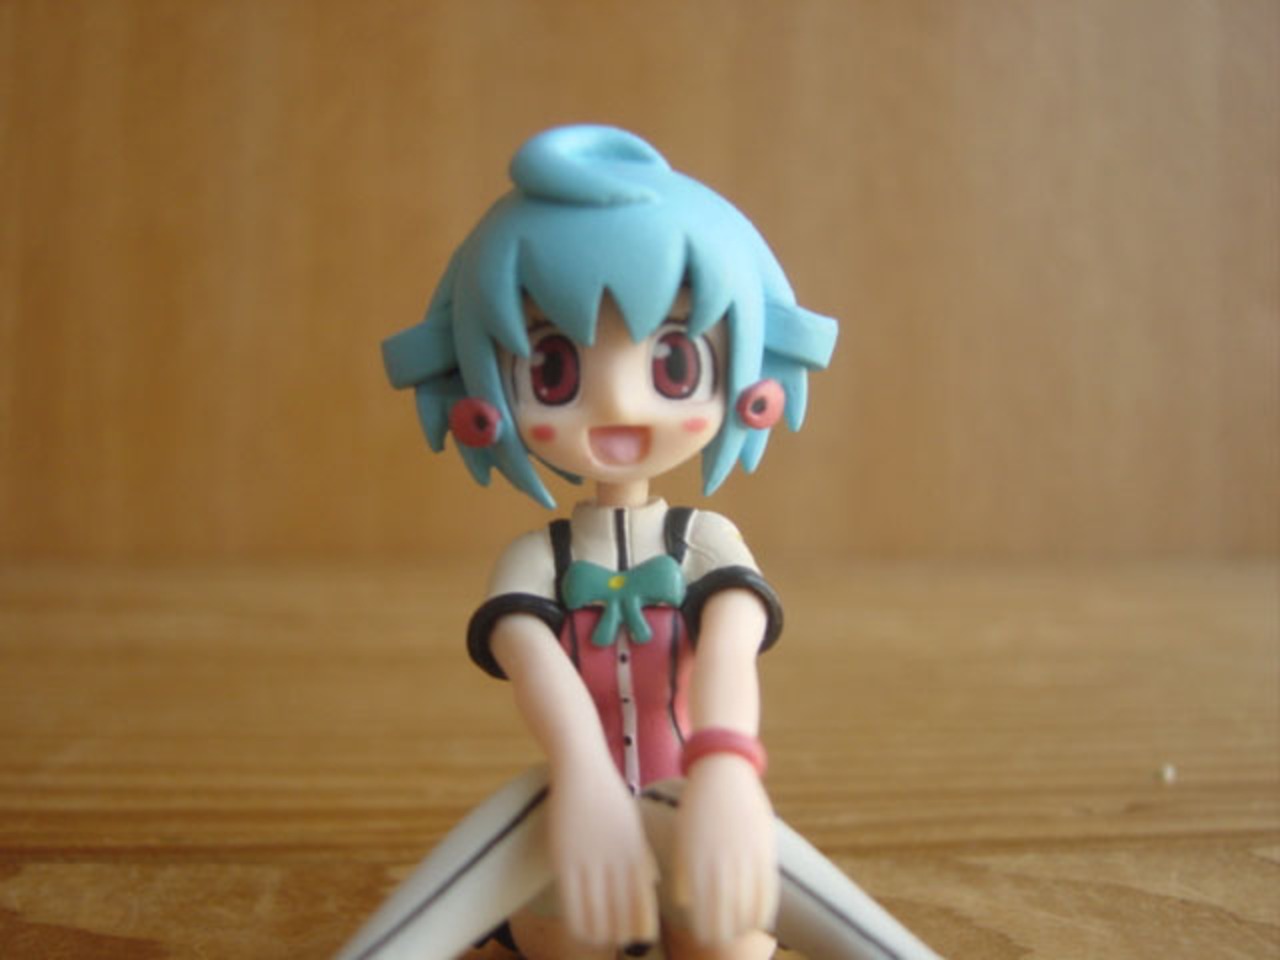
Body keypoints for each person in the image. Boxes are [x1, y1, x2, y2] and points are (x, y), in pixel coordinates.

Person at [338, 125, 941, 960]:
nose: (620, 405)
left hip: (702, 816)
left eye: (673, 365)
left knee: (731, 939)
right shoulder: (534, 562)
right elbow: (538, 674)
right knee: (548, 855)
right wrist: (584, 785)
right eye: (553, 370)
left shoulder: (706, 542)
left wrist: (727, 772)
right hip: (571, 829)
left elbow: (730, 658)